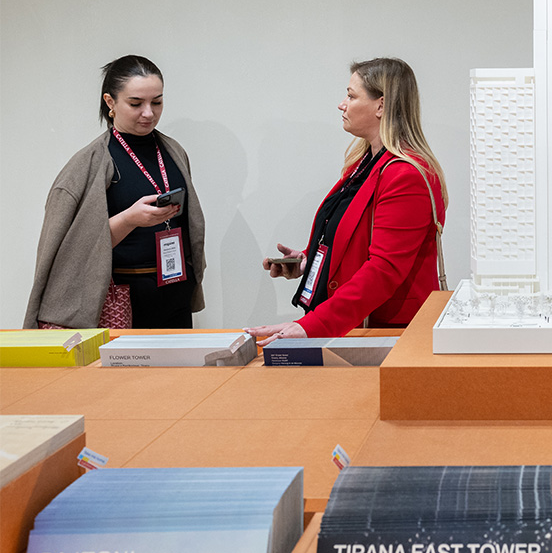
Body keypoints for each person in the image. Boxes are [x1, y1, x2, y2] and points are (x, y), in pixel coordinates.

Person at [247, 58, 447, 343]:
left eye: (351, 96)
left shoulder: (405, 175)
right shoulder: (363, 163)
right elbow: (356, 240)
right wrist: (310, 261)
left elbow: (384, 270)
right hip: (358, 326)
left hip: (388, 334)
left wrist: (312, 325)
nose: (342, 104)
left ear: (381, 106)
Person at [25, 55, 206, 329]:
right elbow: (67, 254)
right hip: (120, 302)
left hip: (175, 292)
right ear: (110, 102)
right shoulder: (88, 164)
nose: (149, 113)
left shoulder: (173, 151)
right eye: (136, 103)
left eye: (157, 102)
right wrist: (129, 220)